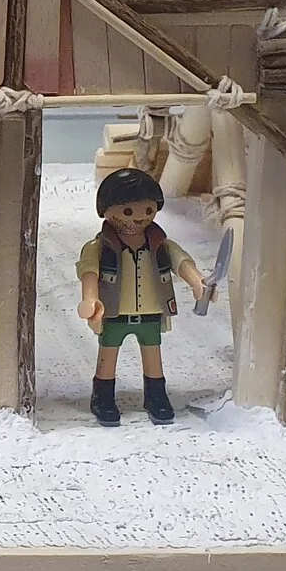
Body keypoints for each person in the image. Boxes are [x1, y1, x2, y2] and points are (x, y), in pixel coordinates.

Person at [75, 167, 210, 426]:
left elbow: (181, 261)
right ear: (106, 210)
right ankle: (102, 397)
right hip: (114, 312)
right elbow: (89, 271)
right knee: (108, 356)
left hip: (151, 312)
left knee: (152, 355)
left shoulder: (160, 244)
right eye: (128, 211)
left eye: (148, 210)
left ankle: (156, 396)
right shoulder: (100, 247)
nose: (139, 217)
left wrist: (197, 281)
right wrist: (90, 299)